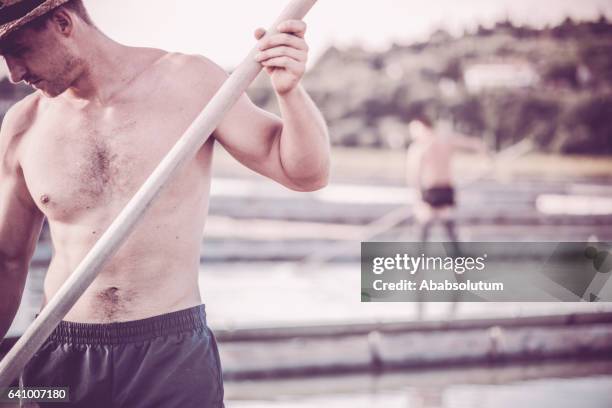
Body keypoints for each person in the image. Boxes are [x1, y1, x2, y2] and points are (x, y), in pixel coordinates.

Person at [0, 1, 330, 407]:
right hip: (56, 351)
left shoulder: (188, 82)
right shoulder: (24, 125)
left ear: (63, 23)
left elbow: (303, 172)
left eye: (18, 51)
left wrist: (290, 92)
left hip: (169, 353)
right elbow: (8, 259)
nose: (14, 74)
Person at [406, 115, 487, 249]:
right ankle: (456, 264)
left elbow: (413, 176)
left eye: (414, 129)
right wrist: (486, 161)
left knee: (428, 227)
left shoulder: (420, 147)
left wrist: (417, 197)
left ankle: (418, 266)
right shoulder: (445, 140)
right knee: (442, 226)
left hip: (436, 191)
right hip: (441, 191)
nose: (412, 133)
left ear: (423, 127)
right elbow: (477, 144)